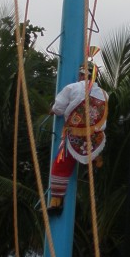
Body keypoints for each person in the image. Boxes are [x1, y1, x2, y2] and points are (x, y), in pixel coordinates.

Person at [47, 61, 108, 215]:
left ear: (82, 75)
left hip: (73, 137)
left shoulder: (72, 88)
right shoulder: (104, 94)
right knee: (92, 151)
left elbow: (59, 108)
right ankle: (95, 159)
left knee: (61, 166)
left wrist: (52, 110)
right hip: (94, 139)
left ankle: (56, 201)